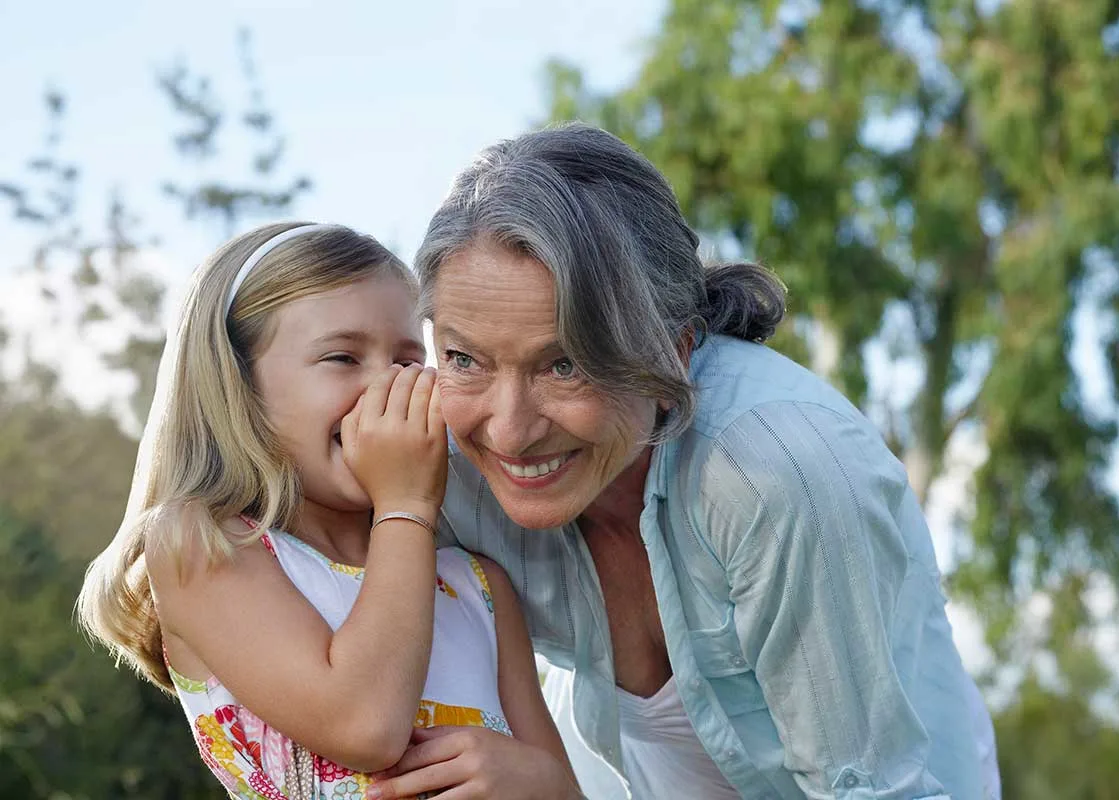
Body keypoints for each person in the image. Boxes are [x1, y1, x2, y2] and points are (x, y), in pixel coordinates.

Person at [382, 123, 1003, 799]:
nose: (508, 430)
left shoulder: (776, 475)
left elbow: (871, 790)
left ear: (673, 351)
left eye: (565, 364)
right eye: (465, 359)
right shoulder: (434, 460)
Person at [77, 223, 578, 800]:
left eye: (410, 360)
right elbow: (366, 725)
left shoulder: (480, 588)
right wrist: (407, 505)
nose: (385, 387)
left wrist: (546, 785)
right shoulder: (202, 543)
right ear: (241, 388)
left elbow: (563, 788)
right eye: (343, 357)